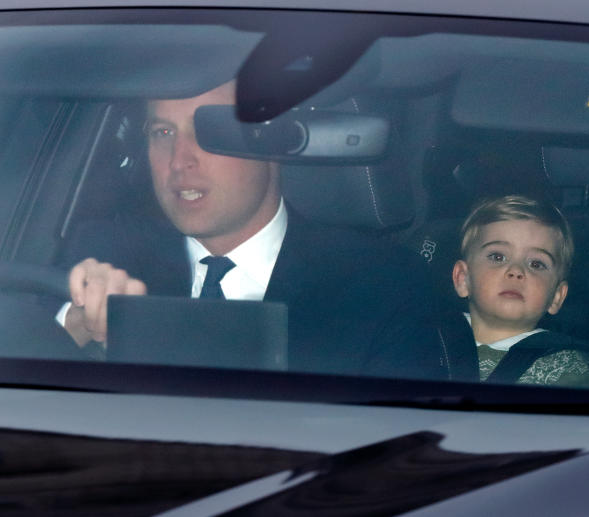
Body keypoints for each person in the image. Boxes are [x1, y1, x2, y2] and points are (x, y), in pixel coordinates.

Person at [55, 80, 447, 379]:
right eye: (163, 133)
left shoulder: (380, 285)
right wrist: (74, 326)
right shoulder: (103, 254)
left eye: (209, 132)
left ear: (272, 142)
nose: (179, 161)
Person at [445, 195, 589, 388]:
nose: (516, 271)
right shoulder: (429, 337)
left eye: (536, 264)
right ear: (463, 279)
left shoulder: (564, 367)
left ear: (556, 297)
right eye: (498, 257)